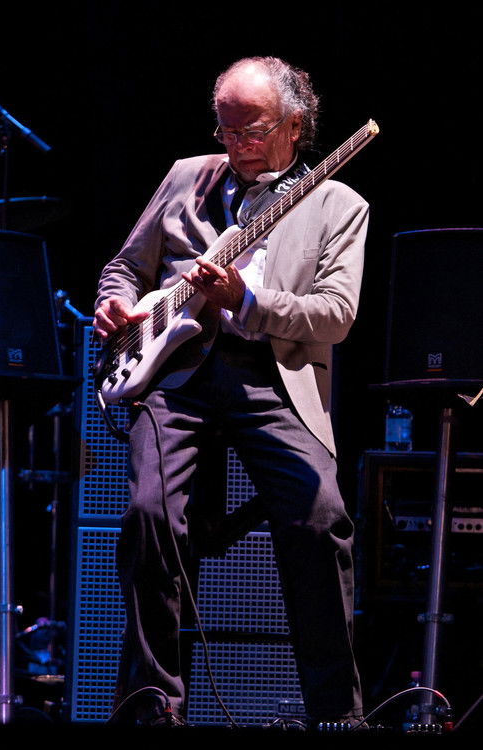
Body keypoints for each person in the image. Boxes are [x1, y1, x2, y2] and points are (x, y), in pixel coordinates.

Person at [93, 55, 370, 730]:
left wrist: (247, 299)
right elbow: (125, 266)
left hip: (272, 378)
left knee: (320, 517)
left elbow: (335, 315)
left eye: (252, 129)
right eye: (226, 129)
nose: (236, 144)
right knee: (149, 517)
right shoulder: (185, 176)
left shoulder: (338, 204)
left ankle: (337, 714)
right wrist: (115, 303)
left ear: (295, 125)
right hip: (177, 377)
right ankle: (152, 706)